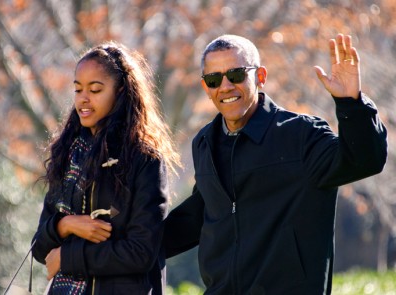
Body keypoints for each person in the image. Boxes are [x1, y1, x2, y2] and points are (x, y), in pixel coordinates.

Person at [164, 34, 387, 294]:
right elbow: (199, 214)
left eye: (236, 75)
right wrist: (125, 240)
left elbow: (364, 160)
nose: (225, 87)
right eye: (214, 80)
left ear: (260, 76)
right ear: (206, 87)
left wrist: (352, 104)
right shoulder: (205, 142)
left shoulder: (301, 135)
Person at [32, 41, 181, 295]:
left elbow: (141, 252)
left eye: (95, 89)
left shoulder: (144, 159)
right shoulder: (68, 155)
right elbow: (39, 249)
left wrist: (69, 258)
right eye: (78, 90)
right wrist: (65, 225)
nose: (84, 99)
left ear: (121, 92)